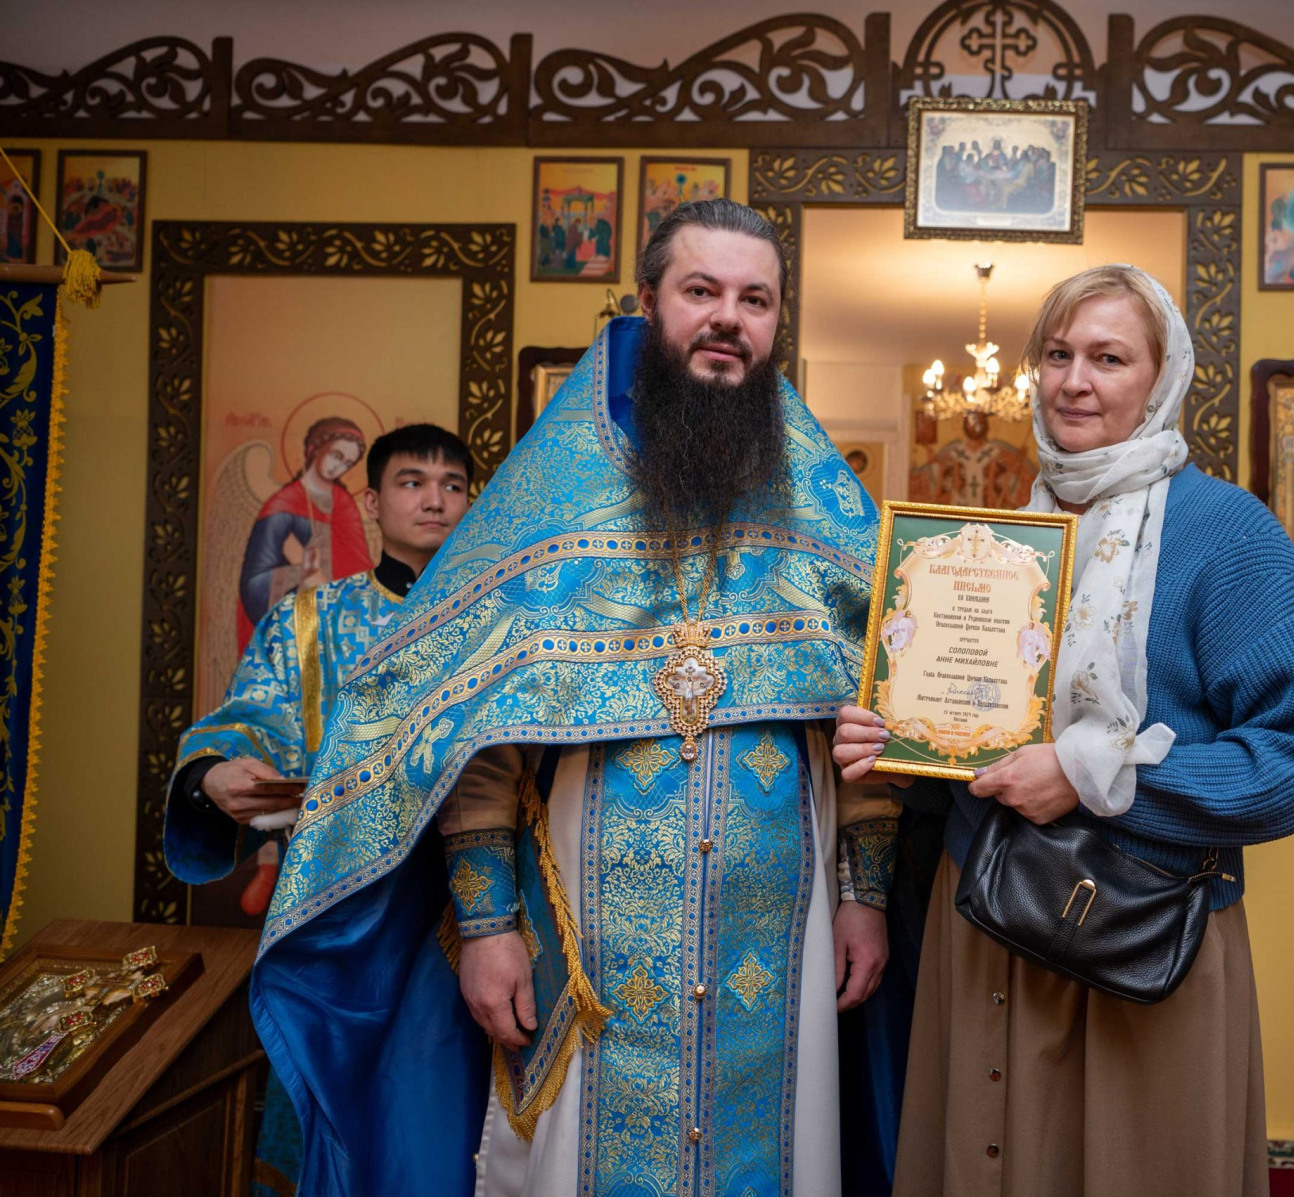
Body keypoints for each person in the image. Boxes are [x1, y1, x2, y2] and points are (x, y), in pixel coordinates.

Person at [250, 199, 897, 1197]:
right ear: (649, 302)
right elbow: (473, 734)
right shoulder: (542, 501)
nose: (728, 318)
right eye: (702, 291)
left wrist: (866, 895)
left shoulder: (824, 506)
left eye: (756, 299)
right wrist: (488, 925)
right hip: (587, 937)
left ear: (776, 322)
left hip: (782, 937)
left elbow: (872, 711)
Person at [837, 264, 1294, 1196]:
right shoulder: (992, 544)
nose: (1075, 381)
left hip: (1141, 939)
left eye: (1109, 358)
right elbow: (982, 752)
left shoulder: (1228, 534)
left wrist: (1089, 774)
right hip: (985, 927)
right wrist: (901, 748)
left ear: (1163, 378)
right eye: (1058, 354)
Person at [165, 422, 474, 1197]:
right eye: (412, 482)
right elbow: (250, 718)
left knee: (443, 1132)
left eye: (453, 485)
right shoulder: (311, 622)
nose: (435, 500)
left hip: (466, 912)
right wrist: (211, 773)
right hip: (340, 914)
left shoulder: (503, 625)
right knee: (337, 1127)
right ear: (370, 501)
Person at [237, 416, 375, 650]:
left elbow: (361, 569)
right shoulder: (283, 505)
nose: (339, 467)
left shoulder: (344, 505)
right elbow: (253, 583)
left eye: (348, 463)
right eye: (336, 456)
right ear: (316, 448)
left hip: (341, 626)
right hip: (296, 629)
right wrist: (303, 576)